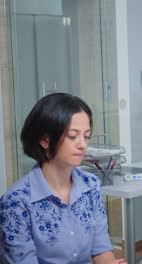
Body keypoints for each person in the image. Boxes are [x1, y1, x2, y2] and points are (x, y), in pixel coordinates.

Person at [0, 93, 126, 264]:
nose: (82, 144)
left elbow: (101, 249)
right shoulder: (16, 202)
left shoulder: (91, 186)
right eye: (72, 136)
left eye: (86, 136)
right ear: (45, 140)